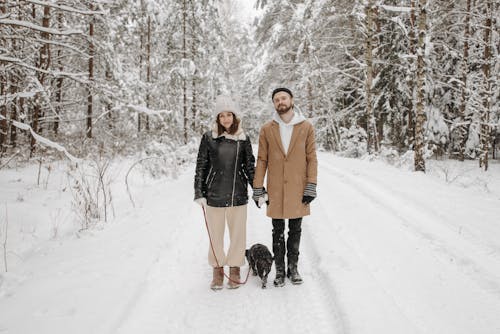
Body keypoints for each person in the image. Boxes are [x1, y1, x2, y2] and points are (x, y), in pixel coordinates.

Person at [252, 87, 318, 287]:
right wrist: (258, 188)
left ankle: (293, 268)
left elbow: (311, 158)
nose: (280, 102)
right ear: (274, 104)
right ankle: (279, 271)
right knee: (277, 230)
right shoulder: (267, 128)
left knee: (296, 230)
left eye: (283, 98)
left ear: (291, 100)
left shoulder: (306, 127)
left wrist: (311, 185)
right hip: (276, 188)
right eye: (276, 100)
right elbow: (262, 159)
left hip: (298, 188)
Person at [194, 95, 255, 290]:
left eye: (229, 115)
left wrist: (259, 191)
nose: (226, 119)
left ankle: (235, 268)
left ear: (235, 117)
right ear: (218, 118)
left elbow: (250, 167)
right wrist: (199, 192)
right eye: (222, 115)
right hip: (214, 196)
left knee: (238, 234)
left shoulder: (243, 138)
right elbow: (201, 166)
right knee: (216, 235)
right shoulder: (209, 137)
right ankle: (218, 269)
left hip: (237, 195)